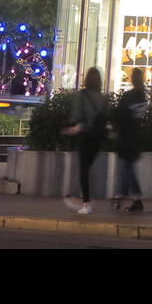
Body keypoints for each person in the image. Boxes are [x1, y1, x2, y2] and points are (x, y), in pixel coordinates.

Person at [63, 68, 107, 215]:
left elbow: (76, 115)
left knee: (83, 170)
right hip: (98, 137)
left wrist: (72, 127)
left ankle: (86, 203)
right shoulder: (103, 97)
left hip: (85, 136)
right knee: (87, 168)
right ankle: (84, 197)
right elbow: (107, 117)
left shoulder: (82, 95)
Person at [112, 67, 149, 213]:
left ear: (132, 79)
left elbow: (118, 115)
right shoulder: (142, 97)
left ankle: (124, 197)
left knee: (125, 169)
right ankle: (128, 198)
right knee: (128, 169)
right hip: (136, 138)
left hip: (125, 137)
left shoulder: (129, 96)